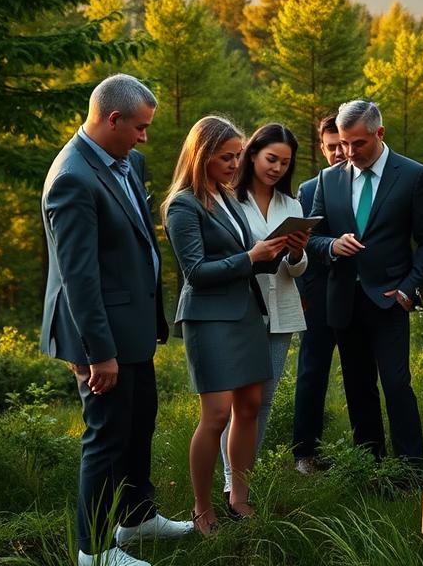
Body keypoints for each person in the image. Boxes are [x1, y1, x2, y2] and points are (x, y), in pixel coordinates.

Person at [41, 74, 192, 566]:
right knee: (105, 438)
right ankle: (94, 550)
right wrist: (98, 353)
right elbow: (78, 278)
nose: (145, 137)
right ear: (112, 119)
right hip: (100, 335)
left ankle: (137, 517)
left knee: (139, 421)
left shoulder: (128, 162)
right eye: (140, 127)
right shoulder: (72, 178)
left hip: (132, 327)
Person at [162, 116, 289, 534]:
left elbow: (244, 255)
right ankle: (202, 507)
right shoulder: (183, 204)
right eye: (226, 157)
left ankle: (239, 496)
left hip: (246, 313)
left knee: (249, 408)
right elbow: (196, 271)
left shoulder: (228, 197)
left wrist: (278, 249)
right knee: (215, 416)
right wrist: (251, 258)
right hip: (209, 318)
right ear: (202, 156)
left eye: (238, 155)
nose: (237, 164)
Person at [308, 100, 423, 467]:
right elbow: (311, 237)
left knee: (397, 385)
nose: (348, 153)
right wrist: (332, 245)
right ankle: (371, 465)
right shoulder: (328, 178)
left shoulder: (412, 175)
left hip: (389, 300)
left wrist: (408, 290)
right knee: (358, 386)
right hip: (345, 302)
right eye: (343, 144)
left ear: (379, 133)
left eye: (358, 144)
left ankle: (411, 470)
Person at [216, 123, 310, 496]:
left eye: (285, 163)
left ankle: (245, 479)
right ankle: (229, 480)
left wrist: (298, 251)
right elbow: (223, 257)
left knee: (263, 399)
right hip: (241, 308)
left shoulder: (292, 205)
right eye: (271, 159)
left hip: (281, 308)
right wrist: (255, 254)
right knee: (235, 399)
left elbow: (297, 269)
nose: (277, 168)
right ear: (252, 154)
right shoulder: (227, 200)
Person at [292, 114, 346, 475]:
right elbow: (301, 243)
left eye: (344, 144)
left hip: (362, 295)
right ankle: (304, 453)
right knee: (313, 372)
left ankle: (365, 453)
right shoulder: (310, 190)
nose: (340, 153)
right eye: (332, 148)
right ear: (322, 149)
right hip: (318, 295)